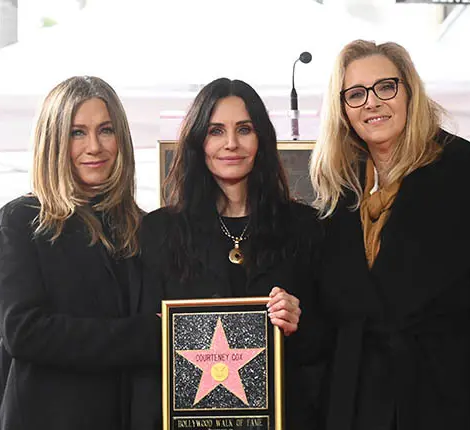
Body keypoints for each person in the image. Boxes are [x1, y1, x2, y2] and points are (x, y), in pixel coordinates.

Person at [309, 39, 470, 429]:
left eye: (385, 87)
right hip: (354, 411)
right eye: (356, 94)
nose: (371, 103)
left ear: (410, 91)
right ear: (342, 109)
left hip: (442, 407)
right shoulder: (333, 196)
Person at [136, 78, 329, 429]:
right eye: (215, 131)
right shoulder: (159, 231)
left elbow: (325, 345)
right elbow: (147, 351)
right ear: (198, 141)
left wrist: (298, 321)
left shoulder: (305, 227)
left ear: (262, 140)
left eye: (244, 129)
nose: (231, 144)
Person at [0, 76, 158, 429]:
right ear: (52, 141)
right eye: (77, 132)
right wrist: (145, 337)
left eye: (106, 130)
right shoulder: (23, 221)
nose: (94, 146)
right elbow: (24, 332)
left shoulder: (146, 228)